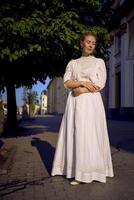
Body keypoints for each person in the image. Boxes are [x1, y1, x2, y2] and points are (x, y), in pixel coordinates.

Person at [51, 32, 114, 185]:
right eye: (88, 42)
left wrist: (82, 89)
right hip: (76, 104)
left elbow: (100, 83)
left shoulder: (98, 62)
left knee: (91, 134)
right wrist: (83, 83)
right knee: (77, 133)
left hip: (92, 102)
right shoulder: (73, 63)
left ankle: (94, 170)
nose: (91, 44)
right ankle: (77, 171)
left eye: (93, 42)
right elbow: (66, 82)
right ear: (81, 43)